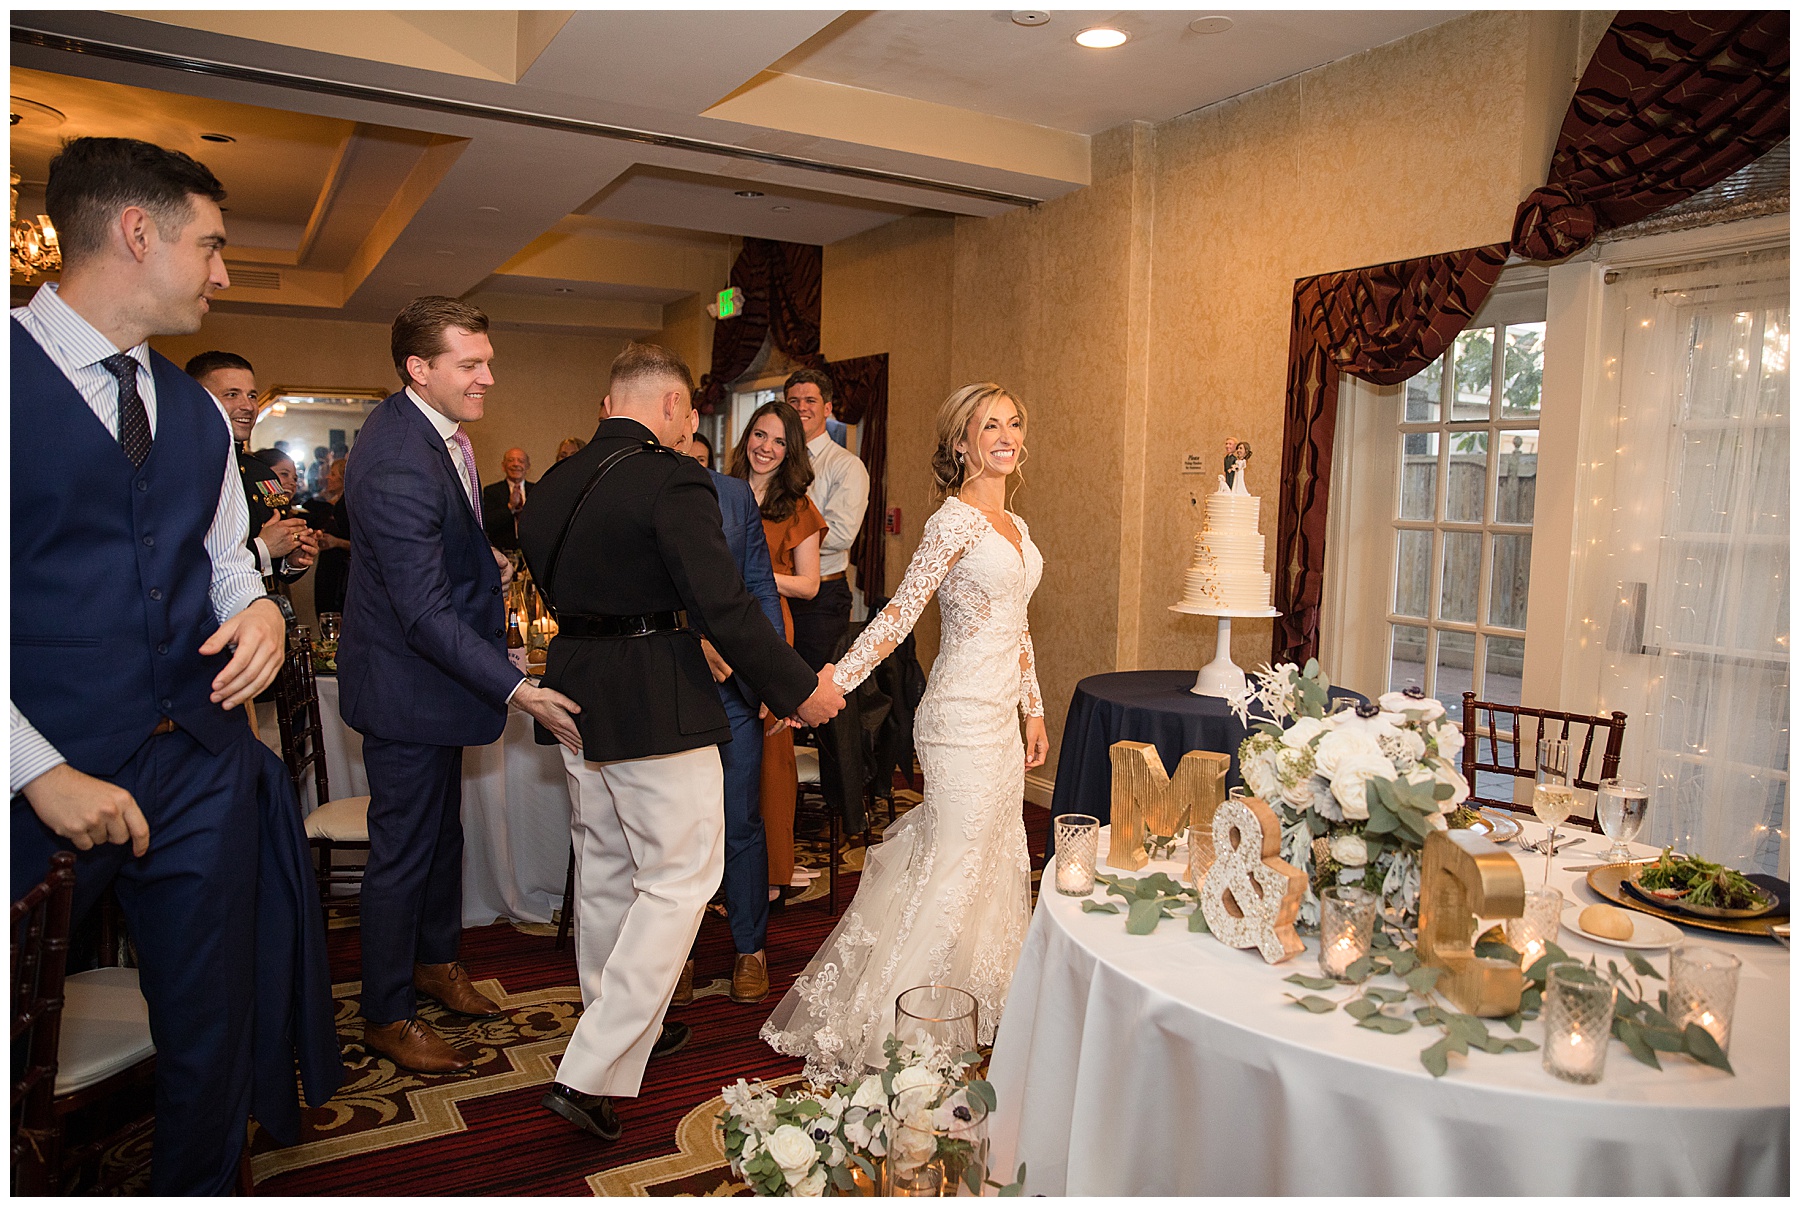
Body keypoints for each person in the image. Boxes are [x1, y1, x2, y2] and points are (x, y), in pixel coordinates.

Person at [10, 136, 294, 1193]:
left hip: (199, 767)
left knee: (209, 1021)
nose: (223, 273)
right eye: (211, 246)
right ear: (138, 232)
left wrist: (259, 611)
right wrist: (37, 771)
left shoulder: (191, 410)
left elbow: (222, 561)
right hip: (35, 772)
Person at [516, 341, 844, 1144]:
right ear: (669, 406)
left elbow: (551, 582)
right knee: (682, 877)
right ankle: (592, 1064)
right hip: (657, 697)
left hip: (575, 689)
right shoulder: (675, 477)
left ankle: (628, 1022)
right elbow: (724, 604)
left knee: (606, 871)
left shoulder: (552, 485)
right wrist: (801, 688)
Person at [762, 383, 1049, 1083]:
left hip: (1001, 723)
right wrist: (829, 681)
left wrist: (1033, 707)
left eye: (1013, 422)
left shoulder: (1017, 524)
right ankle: (896, 1023)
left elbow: (1018, 626)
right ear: (962, 443)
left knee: (993, 856)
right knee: (952, 864)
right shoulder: (952, 522)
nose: (1005, 435)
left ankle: (973, 1002)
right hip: (956, 721)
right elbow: (896, 618)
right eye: (989, 425)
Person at [338, 297, 584, 1074]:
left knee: (443, 840)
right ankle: (385, 1010)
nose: (487, 376)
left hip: (435, 689)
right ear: (420, 368)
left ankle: (436, 963)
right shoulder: (400, 457)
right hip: (410, 689)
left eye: (486, 360)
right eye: (470, 364)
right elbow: (422, 614)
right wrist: (518, 690)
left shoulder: (435, 432)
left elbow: (451, 545)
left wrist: (489, 562)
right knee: (403, 853)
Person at [669, 407, 783, 1007]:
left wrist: (771, 673)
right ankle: (678, 952)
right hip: (674, 691)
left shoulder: (736, 498)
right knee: (682, 827)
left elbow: (760, 585)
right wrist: (699, 640)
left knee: (741, 818)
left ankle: (750, 948)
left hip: (737, 691)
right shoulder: (645, 495)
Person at [726, 400, 827, 899]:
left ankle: (768, 872)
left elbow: (809, 585)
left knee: (768, 752)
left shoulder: (798, 507)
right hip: (714, 629)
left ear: (791, 452)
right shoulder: (718, 491)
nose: (765, 447)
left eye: (778, 441)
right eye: (759, 435)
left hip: (768, 629)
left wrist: (757, 580)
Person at [185, 349, 317, 585]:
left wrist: (291, 559)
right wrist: (262, 549)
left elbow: (274, 564)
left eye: (252, 395)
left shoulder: (260, 473)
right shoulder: (179, 469)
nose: (247, 406)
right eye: (232, 394)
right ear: (197, 399)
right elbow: (182, 563)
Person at [781, 368, 868, 670]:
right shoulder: (773, 459)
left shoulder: (846, 466)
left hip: (821, 600)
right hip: (775, 591)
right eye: (793, 401)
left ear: (828, 408)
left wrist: (781, 542)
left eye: (810, 401)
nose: (801, 407)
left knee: (812, 693)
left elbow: (841, 534)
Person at [303, 458, 352, 614]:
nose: (327, 478)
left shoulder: (349, 506)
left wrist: (336, 542)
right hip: (327, 568)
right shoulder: (332, 505)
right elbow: (308, 505)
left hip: (342, 571)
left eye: (332, 474)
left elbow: (363, 546)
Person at [482, 445, 535, 552]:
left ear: (528, 467)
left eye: (521, 461)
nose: (516, 464)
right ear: (503, 466)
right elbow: (487, 522)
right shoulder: (492, 491)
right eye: (511, 460)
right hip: (503, 551)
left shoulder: (537, 490)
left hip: (531, 550)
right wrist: (510, 507)